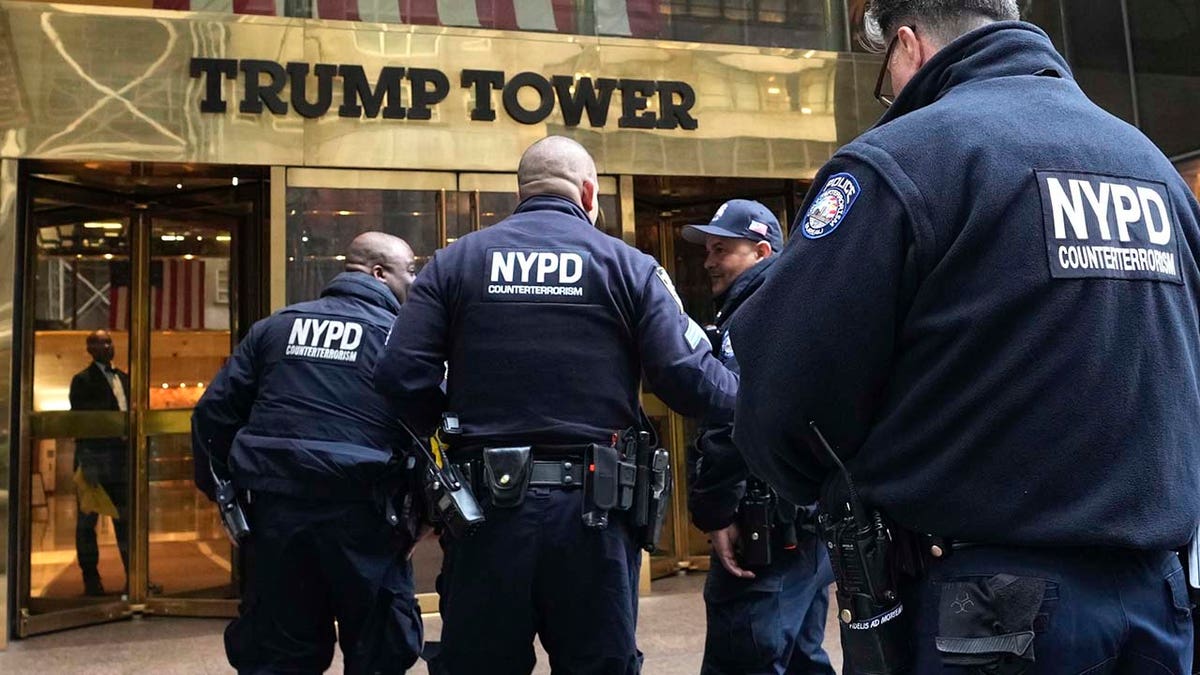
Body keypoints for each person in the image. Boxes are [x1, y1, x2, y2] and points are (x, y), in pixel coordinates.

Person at [731, 1, 1200, 673]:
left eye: (884, 72)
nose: (890, 93)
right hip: (1156, 602)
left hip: (992, 610)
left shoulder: (907, 159)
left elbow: (783, 403)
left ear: (908, 44)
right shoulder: (1151, 167)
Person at [374, 135, 738, 675]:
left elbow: (399, 376)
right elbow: (689, 382)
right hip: (593, 516)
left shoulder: (455, 263)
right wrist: (763, 399)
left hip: (484, 513)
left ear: (520, 194)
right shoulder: (629, 267)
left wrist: (453, 425)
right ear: (588, 193)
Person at [192, 232, 424, 675]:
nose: (414, 281)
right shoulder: (397, 338)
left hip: (277, 519)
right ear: (377, 273)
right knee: (379, 653)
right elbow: (431, 425)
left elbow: (213, 415)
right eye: (409, 270)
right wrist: (422, 520)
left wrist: (225, 497)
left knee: (280, 655)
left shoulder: (275, 327)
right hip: (368, 520)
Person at [682, 200, 834, 675]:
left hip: (766, 529)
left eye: (722, 249)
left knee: (743, 655)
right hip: (810, 523)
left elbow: (734, 419)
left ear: (762, 251)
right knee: (804, 658)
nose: (708, 261)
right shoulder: (805, 304)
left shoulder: (753, 315)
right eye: (707, 249)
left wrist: (716, 511)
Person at [69, 329, 130, 596]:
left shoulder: (125, 379)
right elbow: (82, 421)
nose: (107, 346)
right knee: (86, 523)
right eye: (100, 342)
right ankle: (91, 580)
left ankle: (135, 577)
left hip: (121, 460)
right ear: (89, 349)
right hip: (93, 460)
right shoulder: (81, 380)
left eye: (109, 341)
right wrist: (87, 463)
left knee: (126, 521)